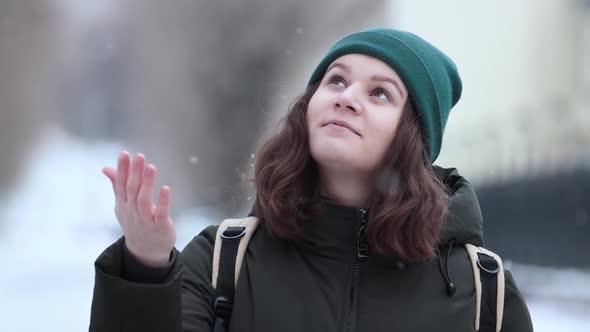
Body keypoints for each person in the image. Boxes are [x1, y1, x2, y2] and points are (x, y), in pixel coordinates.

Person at [89, 28, 534, 332]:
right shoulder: (224, 261)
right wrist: (144, 267)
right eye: (336, 81)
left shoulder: (483, 293)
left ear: (414, 135)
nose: (347, 99)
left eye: (380, 93)